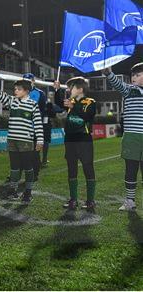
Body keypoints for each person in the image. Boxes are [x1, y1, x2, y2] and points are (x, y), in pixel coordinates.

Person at [0, 77, 43, 203]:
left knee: (28, 167)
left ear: (26, 91)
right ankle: (13, 191)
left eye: (19, 89)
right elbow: (1, 95)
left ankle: (28, 192)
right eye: (15, 89)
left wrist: (40, 141)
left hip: (26, 141)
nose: (15, 91)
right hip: (12, 140)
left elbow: (38, 124)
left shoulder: (33, 105)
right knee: (14, 168)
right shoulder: (12, 101)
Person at [103, 64, 143, 211]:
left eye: (138, 75)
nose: (134, 77)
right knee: (131, 169)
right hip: (131, 137)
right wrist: (109, 73)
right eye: (133, 75)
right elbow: (118, 84)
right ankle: (130, 201)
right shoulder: (130, 90)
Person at [54, 77, 97, 212]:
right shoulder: (70, 101)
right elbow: (59, 102)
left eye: (70, 87)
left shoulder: (90, 102)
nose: (68, 90)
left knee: (88, 168)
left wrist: (74, 106)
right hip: (70, 140)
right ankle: (73, 199)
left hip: (84, 140)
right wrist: (57, 89)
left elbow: (88, 116)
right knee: (71, 169)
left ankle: (90, 201)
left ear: (80, 89)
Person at [23, 73, 46, 182]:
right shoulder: (20, 92)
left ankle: (35, 174)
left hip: (34, 128)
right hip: (22, 128)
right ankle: (17, 174)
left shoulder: (40, 93)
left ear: (33, 81)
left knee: (34, 153)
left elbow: (42, 111)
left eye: (28, 81)